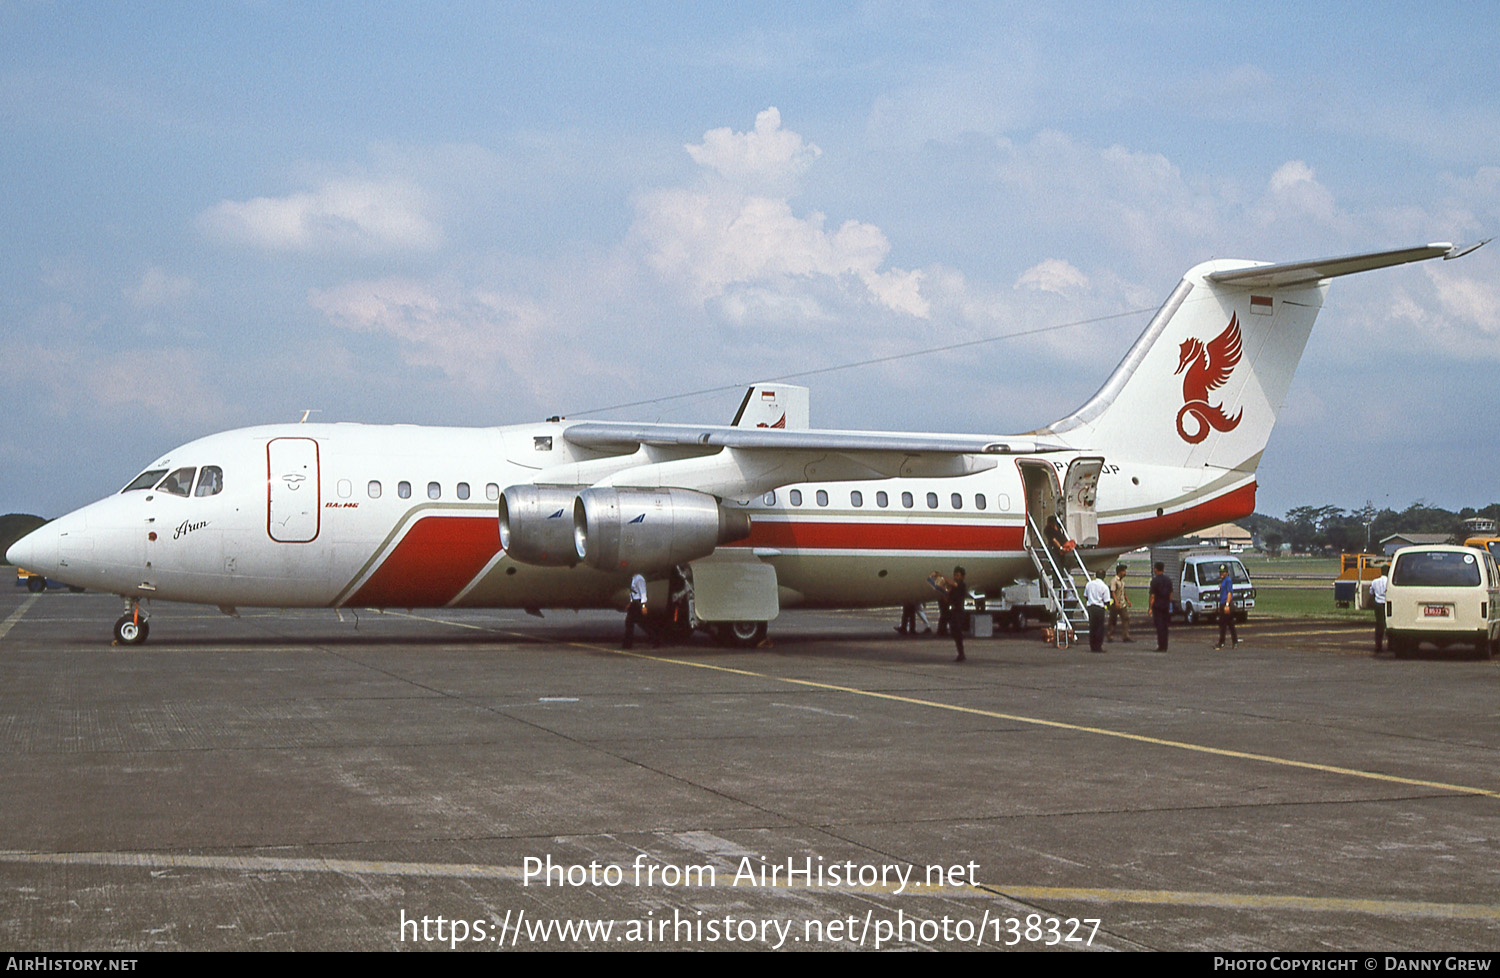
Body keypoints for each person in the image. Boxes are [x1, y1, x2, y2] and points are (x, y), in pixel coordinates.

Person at [622, 572, 659, 649]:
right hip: (634, 603)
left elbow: (643, 593)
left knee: (637, 623)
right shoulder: (633, 578)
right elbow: (633, 593)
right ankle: (627, 644)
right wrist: (630, 603)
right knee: (633, 623)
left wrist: (643, 606)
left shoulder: (639, 579)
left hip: (638, 603)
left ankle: (656, 640)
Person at [1083, 570, 1111, 653]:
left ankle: (1092, 645)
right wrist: (1108, 607)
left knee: (1092, 627)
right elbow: (1107, 601)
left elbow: (1086, 595)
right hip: (1099, 608)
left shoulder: (1089, 584)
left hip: (1091, 607)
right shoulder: (1104, 587)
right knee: (1099, 627)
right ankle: (1098, 646)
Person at [1148, 561, 1172, 651]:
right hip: (1166, 605)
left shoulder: (1154, 581)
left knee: (1159, 627)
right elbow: (1170, 595)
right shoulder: (1168, 580)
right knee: (1165, 627)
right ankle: (1165, 645)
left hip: (1157, 606)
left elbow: (1152, 596)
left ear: (1155, 569)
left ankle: (1161, 646)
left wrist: (1150, 608)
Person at [1213, 564, 1239, 650]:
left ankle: (1222, 642)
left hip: (1226, 604)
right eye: (1220, 572)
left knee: (1225, 624)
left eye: (1223, 572)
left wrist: (1227, 605)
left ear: (1227, 573)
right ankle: (1234, 642)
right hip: (1222, 603)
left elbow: (1229, 593)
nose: (1221, 574)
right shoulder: (1224, 581)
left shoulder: (1228, 580)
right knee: (1227, 624)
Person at [948, 567, 969, 662]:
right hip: (954, 610)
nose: (956, 577)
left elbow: (954, 584)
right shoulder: (954, 587)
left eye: (958, 575)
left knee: (958, 633)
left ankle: (961, 653)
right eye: (955, 575)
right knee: (955, 633)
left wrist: (942, 579)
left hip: (959, 611)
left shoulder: (962, 585)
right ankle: (960, 653)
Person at [1107, 563, 1132, 643]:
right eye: (1124, 571)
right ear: (1120, 572)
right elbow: (1113, 592)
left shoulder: (1122, 582)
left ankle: (1126, 636)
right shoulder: (1114, 581)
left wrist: (1127, 600)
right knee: (1113, 620)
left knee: (1126, 619)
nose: (1125, 573)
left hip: (1122, 604)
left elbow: (1123, 592)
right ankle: (1110, 635)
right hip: (1115, 604)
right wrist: (1116, 602)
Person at [1369, 563, 1390, 653]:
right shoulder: (1390, 581)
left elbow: (1371, 593)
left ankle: (1378, 645)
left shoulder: (1374, 582)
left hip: (1378, 604)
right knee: (1389, 624)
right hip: (1387, 604)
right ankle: (1391, 645)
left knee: (1379, 625)